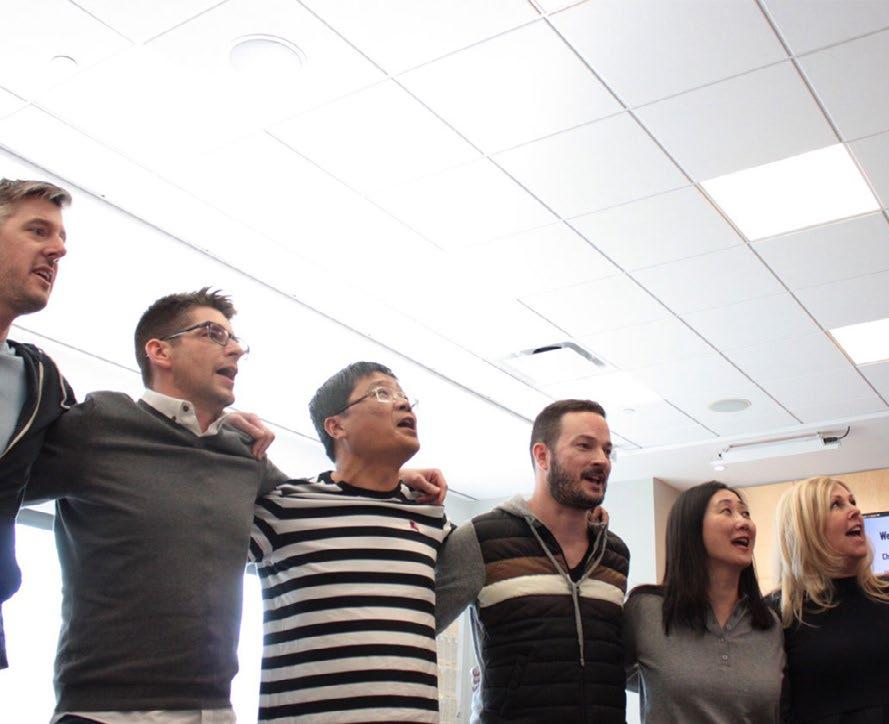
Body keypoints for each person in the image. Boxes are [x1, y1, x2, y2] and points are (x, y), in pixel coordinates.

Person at [26, 288, 287, 723]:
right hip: (103, 712)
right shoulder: (99, 423)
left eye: (236, 340)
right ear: (160, 351)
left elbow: (316, 507)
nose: (236, 350)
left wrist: (395, 479)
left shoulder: (245, 451)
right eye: (214, 334)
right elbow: (10, 477)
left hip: (216, 710)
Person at [249, 361, 449, 723]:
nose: (403, 403)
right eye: (382, 393)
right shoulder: (287, 505)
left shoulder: (430, 517)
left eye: (404, 396)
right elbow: (196, 551)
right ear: (336, 425)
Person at [435, 399, 630, 723]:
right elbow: (412, 630)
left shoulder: (615, 554)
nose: (602, 460)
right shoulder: (481, 538)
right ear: (542, 456)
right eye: (585, 446)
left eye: (607, 450)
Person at [773, 476, 889, 723]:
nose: (855, 510)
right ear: (805, 526)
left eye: (852, 501)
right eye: (836, 505)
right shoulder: (782, 611)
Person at [624, 481, 782, 723]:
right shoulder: (646, 609)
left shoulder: (770, 623)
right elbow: (604, 684)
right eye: (727, 511)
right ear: (691, 529)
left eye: (745, 513)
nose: (744, 523)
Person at [0, 178, 75, 671]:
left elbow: (122, 450)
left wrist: (211, 421)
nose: (59, 250)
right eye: (38, 231)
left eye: (61, 238)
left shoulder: (42, 382)